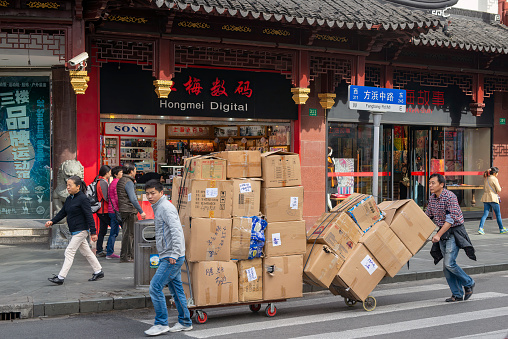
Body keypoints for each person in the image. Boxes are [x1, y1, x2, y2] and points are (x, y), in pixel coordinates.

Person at [144, 179, 192, 336]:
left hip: (172, 256)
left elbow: (177, 231)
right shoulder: (159, 207)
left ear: (161, 193)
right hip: (170, 254)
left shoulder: (165, 207)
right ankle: (185, 322)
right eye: (147, 193)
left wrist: (174, 253)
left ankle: (161, 323)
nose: (150, 196)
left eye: (153, 193)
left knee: (155, 287)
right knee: (176, 289)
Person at [45, 176, 104, 284]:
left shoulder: (83, 199)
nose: (67, 187)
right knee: (86, 252)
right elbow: (62, 213)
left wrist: (93, 232)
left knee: (69, 251)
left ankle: (61, 277)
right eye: (67, 185)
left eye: (70, 185)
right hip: (75, 230)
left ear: (78, 187)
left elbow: (89, 216)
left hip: (81, 230)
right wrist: (52, 221)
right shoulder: (69, 199)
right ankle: (98, 270)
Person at [426, 173, 475, 302]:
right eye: (429, 183)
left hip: (454, 232)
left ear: (441, 184)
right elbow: (427, 216)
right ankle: (457, 294)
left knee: (449, 263)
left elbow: (450, 220)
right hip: (443, 233)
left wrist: (437, 235)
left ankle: (469, 282)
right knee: (446, 267)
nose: (430, 185)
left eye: (433, 183)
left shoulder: (450, 197)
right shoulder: (432, 198)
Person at [117, 162, 146, 263]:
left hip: (124, 210)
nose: (136, 171)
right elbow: (133, 199)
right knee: (130, 234)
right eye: (135, 170)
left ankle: (125, 255)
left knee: (126, 233)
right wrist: (141, 211)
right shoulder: (128, 182)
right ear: (131, 171)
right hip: (129, 210)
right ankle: (128, 256)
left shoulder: (121, 180)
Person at [478, 167, 508, 235]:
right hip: (493, 198)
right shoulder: (494, 179)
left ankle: (480, 228)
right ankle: (501, 229)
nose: (497, 174)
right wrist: (500, 188)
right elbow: (499, 189)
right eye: (497, 173)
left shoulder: (486, 178)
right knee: (498, 214)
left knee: (485, 214)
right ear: (494, 173)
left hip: (486, 198)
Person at [106, 166, 123, 259]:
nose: (122, 174)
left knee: (113, 232)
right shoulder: (117, 183)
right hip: (115, 211)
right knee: (114, 232)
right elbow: (117, 198)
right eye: (121, 172)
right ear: (116, 174)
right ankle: (110, 252)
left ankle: (109, 252)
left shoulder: (112, 183)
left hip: (112, 210)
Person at [95, 165, 112, 257]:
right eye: (109, 172)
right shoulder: (103, 182)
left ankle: (99, 249)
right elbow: (106, 197)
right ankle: (106, 248)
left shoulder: (99, 181)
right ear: (106, 173)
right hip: (104, 210)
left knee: (102, 230)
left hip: (101, 210)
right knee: (114, 228)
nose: (110, 173)